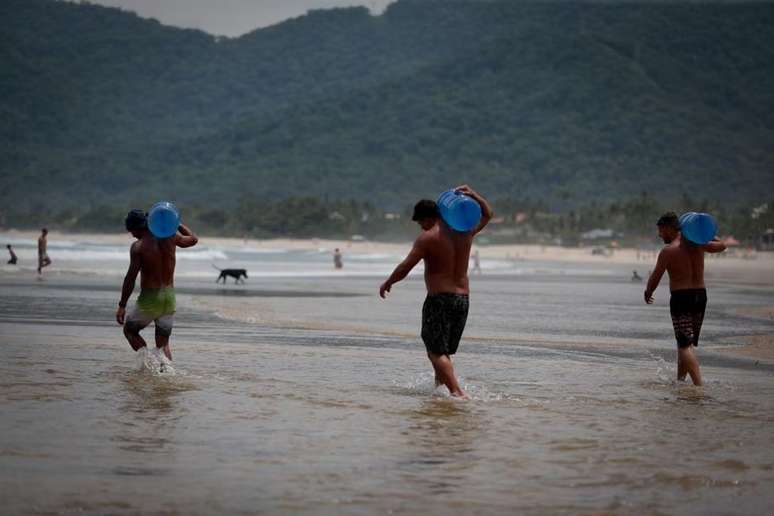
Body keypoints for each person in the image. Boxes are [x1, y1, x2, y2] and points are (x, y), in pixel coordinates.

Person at [379, 185, 492, 398]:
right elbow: (487, 214)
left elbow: (405, 267)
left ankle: (457, 393)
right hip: (462, 300)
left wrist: (388, 282)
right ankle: (439, 389)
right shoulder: (465, 232)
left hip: (440, 299)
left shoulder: (428, 239)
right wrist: (474, 195)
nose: (421, 227)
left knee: (435, 351)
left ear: (431, 216)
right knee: (444, 351)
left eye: (421, 221)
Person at [644, 212, 726, 386]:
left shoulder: (668, 251)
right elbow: (722, 246)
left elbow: (656, 276)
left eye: (661, 231)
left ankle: (698, 386)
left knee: (684, 345)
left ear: (669, 228)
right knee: (685, 342)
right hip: (700, 297)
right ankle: (680, 381)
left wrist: (648, 291)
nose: (659, 235)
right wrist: (703, 234)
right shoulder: (698, 244)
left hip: (681, 298)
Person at [116, 209, 198, 368]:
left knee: (129, 331)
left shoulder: (138, 247)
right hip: (169, 297)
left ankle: (149, 361)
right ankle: (166, 373)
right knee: (163, 345)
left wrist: (122, 305)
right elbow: (193, 239)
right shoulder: (171, 237)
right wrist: (177, 224)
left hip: (150, 298)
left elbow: (130, 278)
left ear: (139, 227)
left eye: (132, 231)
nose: (132, 235)